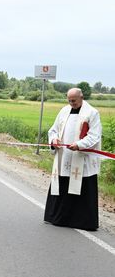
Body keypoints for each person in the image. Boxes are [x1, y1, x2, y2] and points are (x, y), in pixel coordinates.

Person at [44, 88, 102, 231]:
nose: (71, 103)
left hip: (81, 158)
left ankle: (81, 221)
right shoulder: (64, 111)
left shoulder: (92, 113)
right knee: (62, 185)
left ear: (81, 97)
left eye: (74, 100)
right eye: (69, 100)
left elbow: (95, 135)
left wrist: (79, 145)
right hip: (64, 157)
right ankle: (58, 218)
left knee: (81, 186)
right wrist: (54, 140)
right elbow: (53, 130)